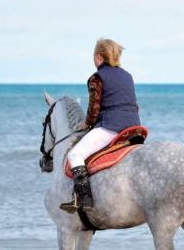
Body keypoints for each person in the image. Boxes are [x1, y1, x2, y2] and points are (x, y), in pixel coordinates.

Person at [60, 38, 141, 213]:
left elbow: (94, 108)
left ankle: (85, 199)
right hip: (134, 128)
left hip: (111, 127)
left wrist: (86, 123)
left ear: (98, 57)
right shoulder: (128, 76)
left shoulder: (97, 78)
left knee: (75, 155)